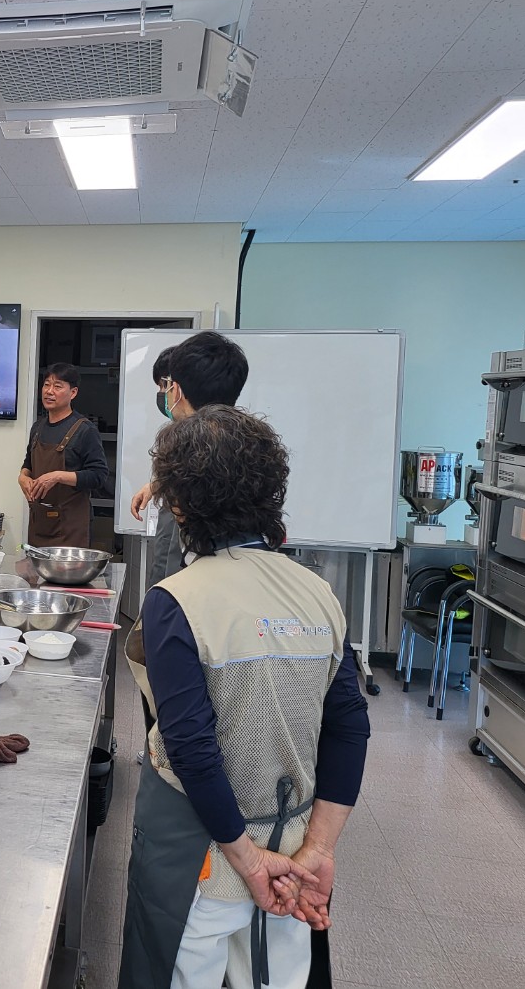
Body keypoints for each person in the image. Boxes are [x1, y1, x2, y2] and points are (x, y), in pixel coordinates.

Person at [119, 406, 370, 989]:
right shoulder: (318, 593)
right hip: (293, 856)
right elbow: (349, 727)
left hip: (200, 859)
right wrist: (319, 849)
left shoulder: (176, 600)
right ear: (269, 490)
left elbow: (191, 748)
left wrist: (247, 858)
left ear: (180, 504)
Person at [131, 331, 250, 585]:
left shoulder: (188, 442)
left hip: (195, 572)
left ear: (176, 388)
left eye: (164, 386)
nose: (164, 394)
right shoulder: (248, 438)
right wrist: (157, 484)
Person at [18, 363, 110, 548]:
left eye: (57, 386)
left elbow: (99, 476)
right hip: (40, 525)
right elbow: (29, 463)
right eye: (46, 385)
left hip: (70, 529)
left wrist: (58, 476)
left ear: (73, 392)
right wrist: (23, 477)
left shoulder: (85, 430)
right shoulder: (38, 427)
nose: (49, 391)